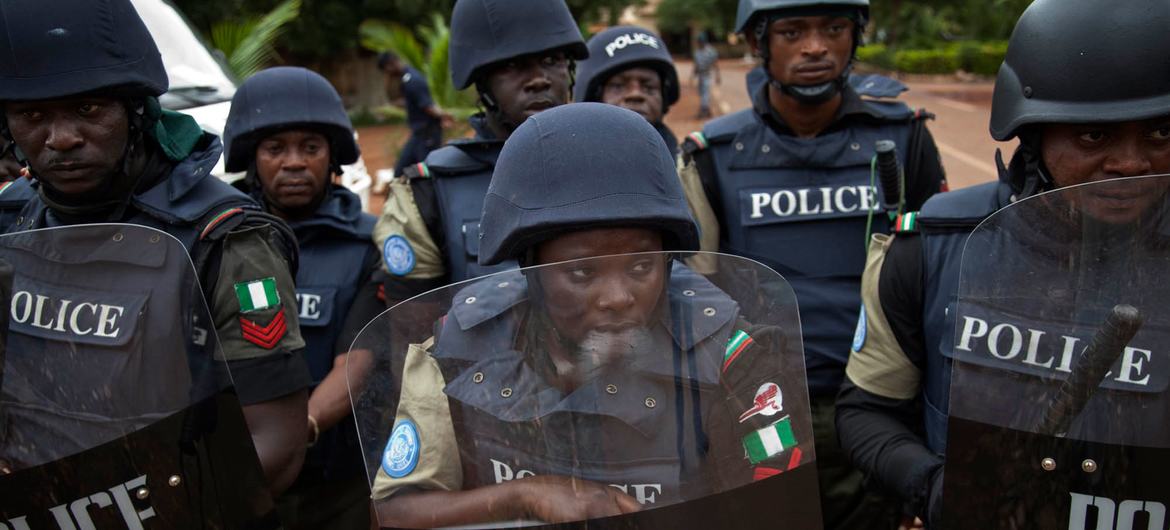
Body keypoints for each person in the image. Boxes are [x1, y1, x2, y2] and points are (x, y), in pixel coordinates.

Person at [363, 102, 815, 528]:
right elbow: (395, 512)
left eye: (641, 266)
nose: (617, 296)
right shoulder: (460, 344)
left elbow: (777, 513)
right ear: (531, 270)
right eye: (582, 271)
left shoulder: (735, 360)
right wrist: (525, 495)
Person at [835, 0, 1170, 526]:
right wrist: (931, 485)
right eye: (1094, 135)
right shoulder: (932, 249)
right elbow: (867, 410)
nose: (1130, 163)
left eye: (1161, 133)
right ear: (1032, 134)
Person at [0, 0, 310, 496]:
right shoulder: (10, 219)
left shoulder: (226, 238)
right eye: (32, 114)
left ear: (136, 110)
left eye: (88, 109)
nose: (61, 139)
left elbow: (275, 440)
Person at [679, 0, 946, 527]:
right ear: (758, 43)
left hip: (883, 410)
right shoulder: (711, 154)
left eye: (834, 28)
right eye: (792, 31)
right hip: (760, 406)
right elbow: (692, 294)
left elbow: (933, 274)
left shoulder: (907, 137)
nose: (816, 47)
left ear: (855, 37)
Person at [223, 66, 382, 529]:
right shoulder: (218, 241)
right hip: (232, 472)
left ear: (333, 158)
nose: (294, 162)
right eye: (275, 149)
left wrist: (293, 435)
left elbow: (358, 358)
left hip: (336, 483)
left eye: (310, 148)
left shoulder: (369, 244)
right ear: (252, 159)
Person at [372, 0, 587, 307]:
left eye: (552, 60)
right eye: (513, 66)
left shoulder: (612, 164)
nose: (539, 79)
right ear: (481, 84)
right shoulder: (426, 194)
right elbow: (414, 338)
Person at [575, 25, 682, 156]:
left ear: (664, 97)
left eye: (648, 87)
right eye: (618, 86)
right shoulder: (574, 162)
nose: (635, 94)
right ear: (594, 98)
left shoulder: (687, 167)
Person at [378, 52, 453, 178]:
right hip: (419, 135)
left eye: (386, 70)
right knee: (402, 170)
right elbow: (416, 102)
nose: (387, 73)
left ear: (390, 64)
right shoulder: (406, 78)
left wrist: (444, 116)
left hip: (427, 135)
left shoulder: (412, 80)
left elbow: (428, 106)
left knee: (428, 172)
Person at [691, 33, 721, 120]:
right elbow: (696, 65)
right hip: (700, 75)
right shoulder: (697, 52)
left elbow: (715, 64)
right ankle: (707, 111)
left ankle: (703, 111)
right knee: (701, 92)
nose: (699, 43)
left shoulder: (711, 51)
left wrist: (717, 76)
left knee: (705, 93)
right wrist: (693, 76)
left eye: (700, 42)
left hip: (707, 75)